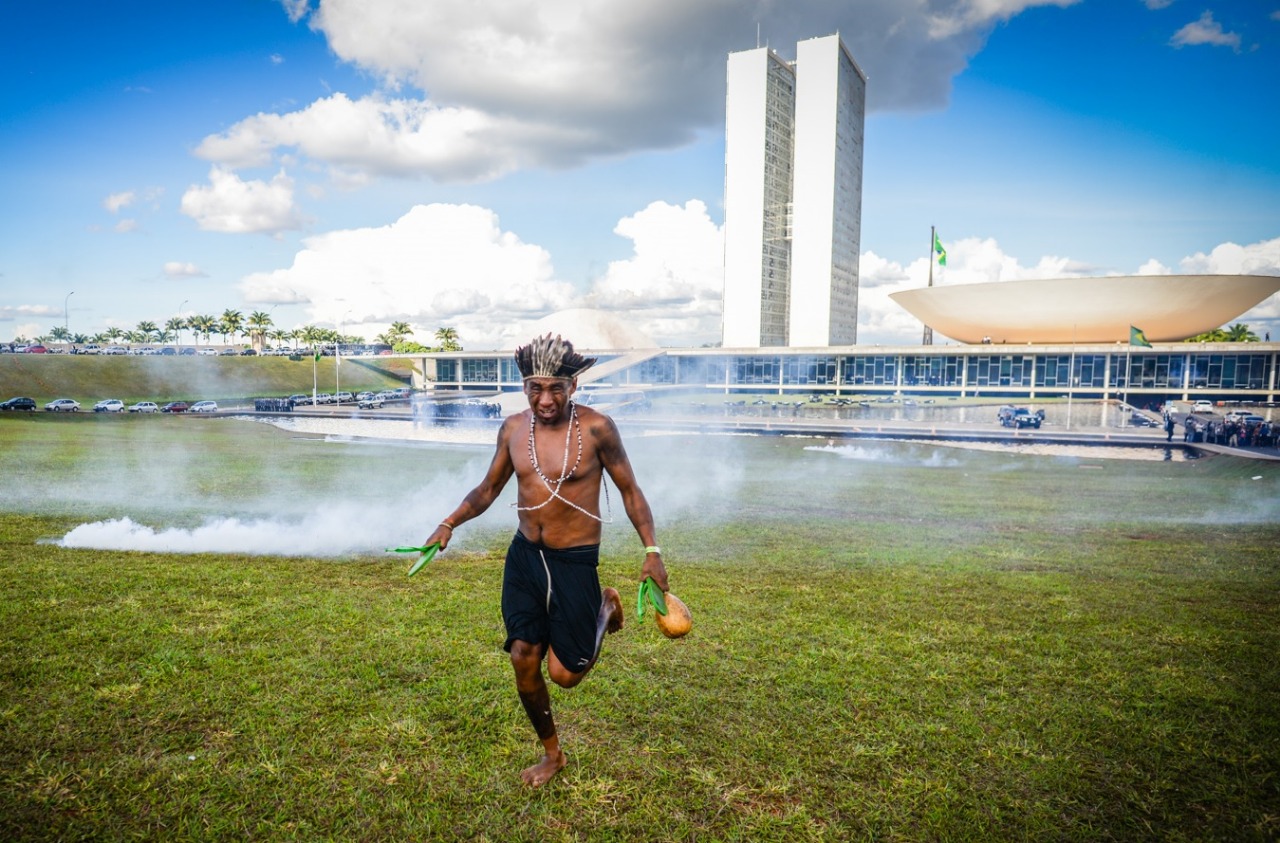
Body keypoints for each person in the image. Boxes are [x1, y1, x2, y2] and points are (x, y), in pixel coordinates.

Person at [421, 334, 669, 788]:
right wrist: (448, 522)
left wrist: (652, 551)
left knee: (565, 674)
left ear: (573, 386)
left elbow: (631, 491)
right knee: (523, 655)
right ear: (524, 387)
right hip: (525, 558)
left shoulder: (597, 428)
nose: (546, 399)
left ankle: (605, 608)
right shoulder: (513, 429)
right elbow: (488, 489)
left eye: (556, 388)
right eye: (535, 388)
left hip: (573, 561)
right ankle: (553, 754)